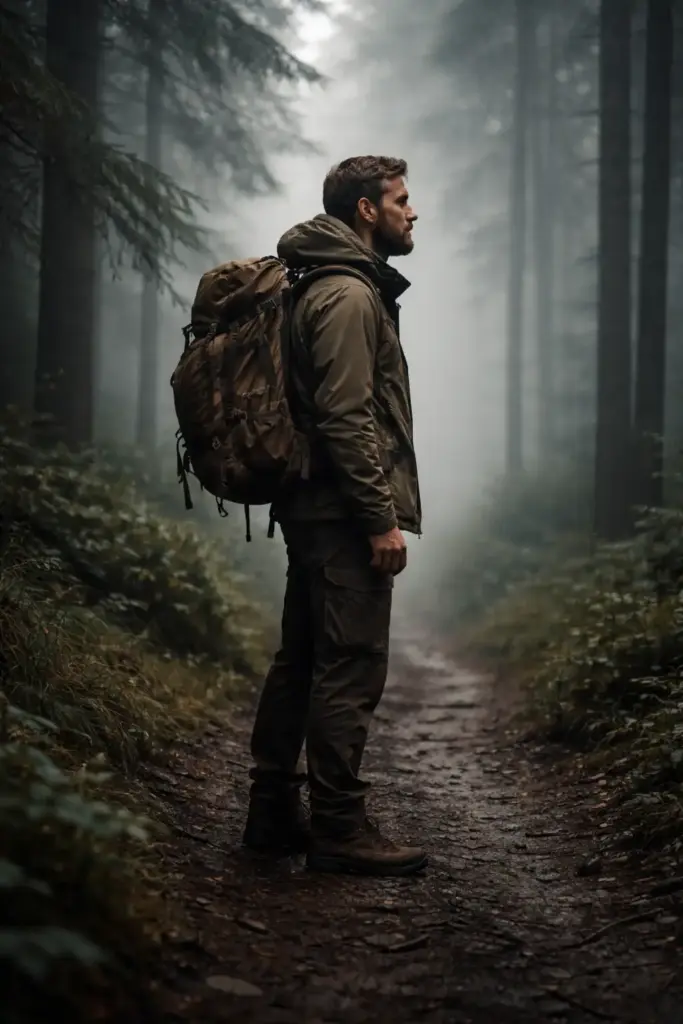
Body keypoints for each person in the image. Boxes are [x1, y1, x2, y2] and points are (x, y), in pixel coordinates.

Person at [242, 155, 425, 876]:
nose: (413, 212)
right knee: (347, 663)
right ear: (364, 211)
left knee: (302, 659)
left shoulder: (322, 284)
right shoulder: (347, 295)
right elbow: (347, 418)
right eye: (401, 200)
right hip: (340, 510)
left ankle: (271, 814)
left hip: (315, 504)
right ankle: (339, 829)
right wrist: (379, 518)